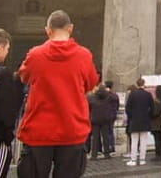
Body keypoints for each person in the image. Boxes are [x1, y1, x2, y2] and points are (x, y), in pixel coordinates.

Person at [16, 10, 99, 178]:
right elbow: (91, 84)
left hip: (38, 129)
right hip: (72, 128)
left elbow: (24, 76)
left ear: (48, 30)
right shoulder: (84, 56)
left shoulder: (35, 55)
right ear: (70, 28)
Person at [0, 29, 23, 178]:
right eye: (7, 49)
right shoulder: (2, 74)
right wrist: (8, 137)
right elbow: (6, 112)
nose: (7, 52)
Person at [125, 78, 153, 166]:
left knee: (134, 141)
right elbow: (152, 108)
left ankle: (133, 159)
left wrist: (131, 117)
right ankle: (142, 159)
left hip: (134, 120)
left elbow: (127, 108)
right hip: (145, 120)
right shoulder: (148, 94)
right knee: (143, 141)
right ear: (144, 84)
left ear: (137, 84)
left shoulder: (132, 94)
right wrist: (148, 116)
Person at [87, 83, 116, 159]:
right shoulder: (108, 97)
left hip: (95, 119)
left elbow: (88, 107)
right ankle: (107, 153)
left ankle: (94, 155)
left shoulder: (92, 97)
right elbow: (115, 99)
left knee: (95, 138)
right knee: (105, 137)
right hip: (105, 119)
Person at [150, 86, 161, 160]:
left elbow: (155, 113)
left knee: (157, 140)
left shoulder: (157, 101)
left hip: (156, 123)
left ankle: (158, 155)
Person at [104, 80, 119, 153]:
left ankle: (108, 147)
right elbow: (117, 106)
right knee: (111, 131)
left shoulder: (105, 95)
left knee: (106, 132)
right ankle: (112, 146)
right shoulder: (115, 95)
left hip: (106, 115)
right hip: (113, 114)